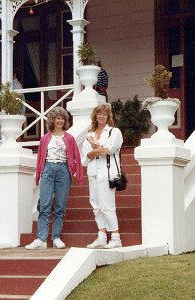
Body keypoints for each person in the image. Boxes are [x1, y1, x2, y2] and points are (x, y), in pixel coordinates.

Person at [26, 107, 84, 250]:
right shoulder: (45, 138)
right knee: (44, 205)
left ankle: (56, 237)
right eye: (58, 118)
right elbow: (40, 158)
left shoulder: (69, 138)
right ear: (53, 120)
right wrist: (39, 174)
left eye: (62, 118)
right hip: (48, 169)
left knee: (60, 206)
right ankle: (41, 239)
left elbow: (76, 156)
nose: (60, 121)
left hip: (63, 170)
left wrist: (78, 174)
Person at [82, 104, 123, 249]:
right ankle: (102, 236)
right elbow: (85, 157)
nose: (101, 116)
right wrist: (97, 149)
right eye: (99, 114)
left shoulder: (114, 132)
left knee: (107, 205)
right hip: (93, 172)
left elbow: (110, 149)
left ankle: (116, 237)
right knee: (96, 205)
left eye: (104, 114)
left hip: (107, 173)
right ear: (95, 116)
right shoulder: (90, 133)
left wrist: (95, 147)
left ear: (108, 116)